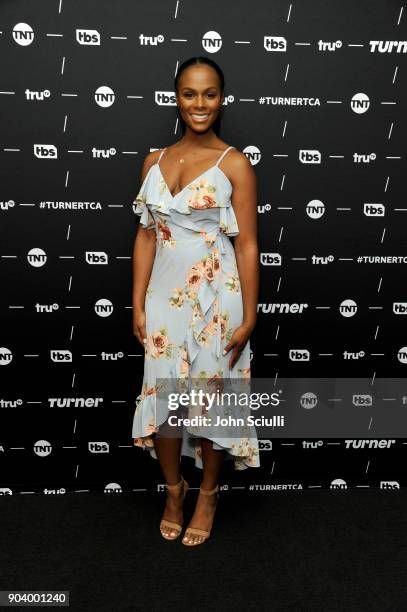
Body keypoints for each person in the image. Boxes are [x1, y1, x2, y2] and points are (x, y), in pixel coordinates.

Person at [131, 56, 260, 546]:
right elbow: (145, 237)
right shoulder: (154, 161)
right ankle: (172, 490)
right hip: (163, 295)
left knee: (209, 402)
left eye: (209, 94)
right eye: (190, 93)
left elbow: (247, 244)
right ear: (177, 98)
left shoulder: (235, 163)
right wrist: (138, 305)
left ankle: (207, 494)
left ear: (222, 99)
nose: (199, 103)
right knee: (165, 404)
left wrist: (249, 314)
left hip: (216, 298)